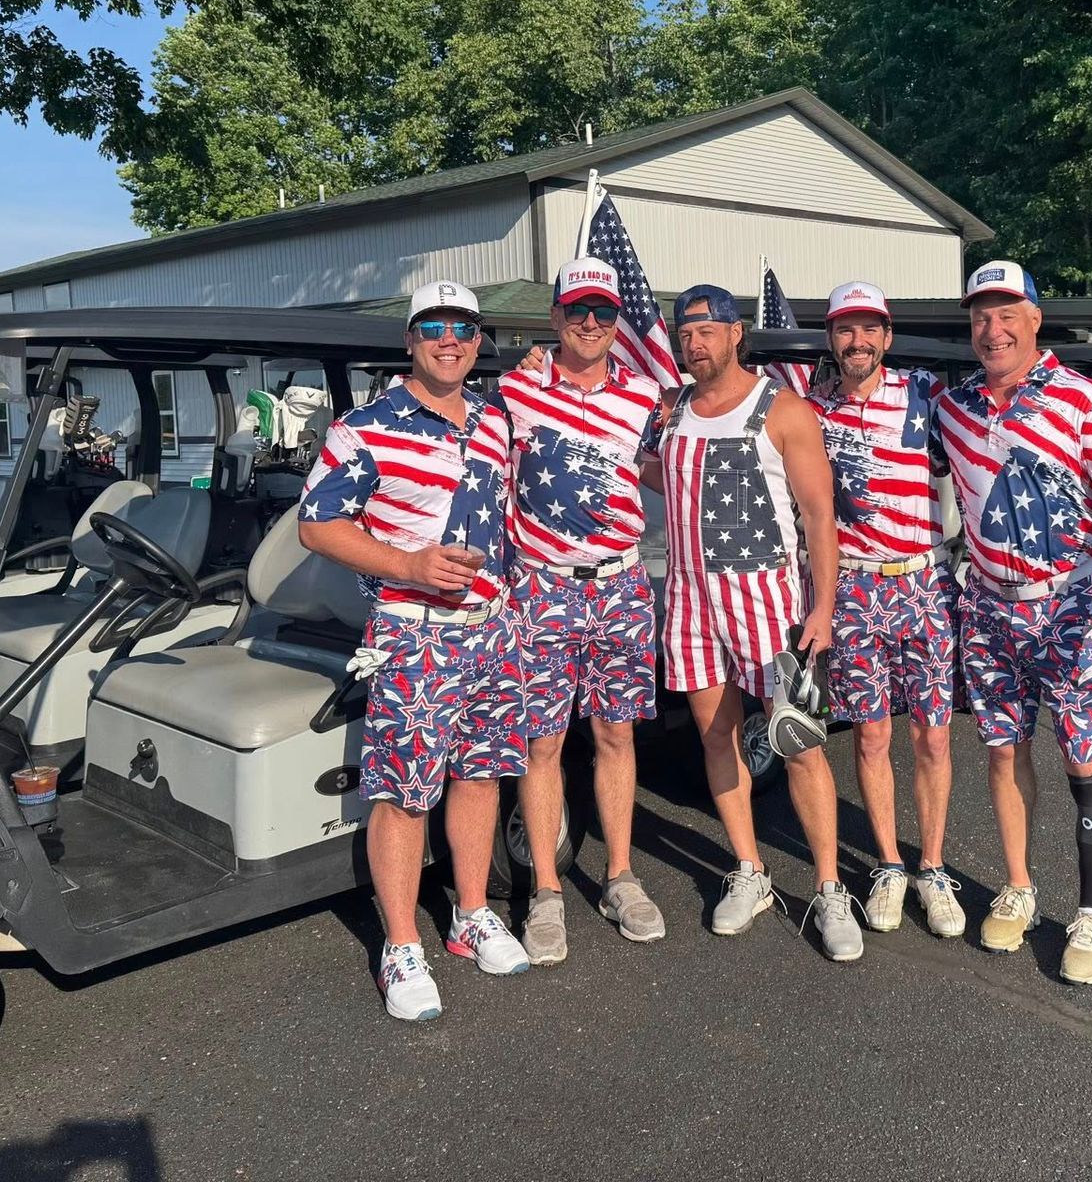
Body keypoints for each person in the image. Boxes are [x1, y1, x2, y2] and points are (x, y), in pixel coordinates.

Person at [299, 280, 529, 1023]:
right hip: (413, 631)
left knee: (481, 774)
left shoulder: (495, 418)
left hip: (492, 626)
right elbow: (317, 525)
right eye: (434, 326)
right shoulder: (364, 428)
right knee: (402, 792)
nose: (450, 339)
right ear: (410, 339)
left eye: (464, 327)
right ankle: (401, 944)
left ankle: (469, 914)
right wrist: (406, 564)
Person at [931, 260, 1092, 986]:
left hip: (1071, 600)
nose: (991, 330)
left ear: (1033, 318)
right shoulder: (954, 407)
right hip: (989, 602)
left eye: (1004, 314)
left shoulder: (1084, 401)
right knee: (1002, 749)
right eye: (979, 318)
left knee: (1083, 756)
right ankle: (1019, 886)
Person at [642, 284, 860, 961]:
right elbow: (657, 470)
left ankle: (828, 887)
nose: (692, 341)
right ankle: (750, 869)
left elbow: (821, 516)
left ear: (736, 333)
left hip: (776, 605)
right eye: (684, 331)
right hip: (691, 602)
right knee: (715, 736)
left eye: (705, 329)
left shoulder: (783, 409)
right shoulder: (670, 408)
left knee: (799, 740)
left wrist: (823, 608)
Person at [497, 259, 667, 964]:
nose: (590, 322)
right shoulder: (514, 391)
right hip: (543, 586)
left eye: (601, 310)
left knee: (617, 737)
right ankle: (545, 890)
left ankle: (620, 875)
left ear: (616, 317)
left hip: (622, 584)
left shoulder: (646, 395)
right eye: (577, 311)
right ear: (555, 317)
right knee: (542, 743)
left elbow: (675, 469)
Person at [800, 281, 967, 940]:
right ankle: (890, 866)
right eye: (845, 329)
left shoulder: (925, 397)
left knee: (932, 734)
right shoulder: (811, 411)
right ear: (832, 339)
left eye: (870, 329)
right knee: (870, 736)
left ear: (887, 337)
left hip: (922, 584)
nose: (858, 341)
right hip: (857, 590)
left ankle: (932, 867)